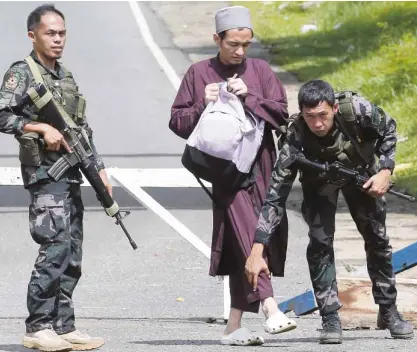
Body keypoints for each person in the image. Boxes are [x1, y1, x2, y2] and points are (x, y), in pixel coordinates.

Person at [245, 79, 415, 344]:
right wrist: (258, 247)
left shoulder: (357, 110)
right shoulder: (296, 137)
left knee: (377, 240)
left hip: (362, 175)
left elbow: (389, 130)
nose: (317, 124)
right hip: (319, 183)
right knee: (320, 244)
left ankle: (389, 310)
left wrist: (385, 171)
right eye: (310, 117)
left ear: (334, 108)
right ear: (302, 113)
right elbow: (276, 196)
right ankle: (330, 317)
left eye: (323, 115)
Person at [169, 5, 296, 346]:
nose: (239, 51)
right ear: (217, 39)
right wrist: (202, 105)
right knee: (247, 234)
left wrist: (250, 97)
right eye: (232, 44)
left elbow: (282, 115)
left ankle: (234, 325)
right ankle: (270, 306)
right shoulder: (199, 73)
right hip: (226, 173)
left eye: (246, 44)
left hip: (264, 165)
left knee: (255, 238)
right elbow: (178, 123)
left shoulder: (261, 70)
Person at [0, 4, 108, 351]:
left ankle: (63, 325)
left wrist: (100, 167)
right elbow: (2, 113)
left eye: (62, 33)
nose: (58, 39)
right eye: (50, 33)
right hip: (45, 174)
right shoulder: (23, 72)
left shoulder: (64, 75)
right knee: (55, 245)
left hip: (71, 173)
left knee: (72, 249)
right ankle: (38, 325)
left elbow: (81, 127)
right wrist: (38, 126)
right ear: (33, 35)